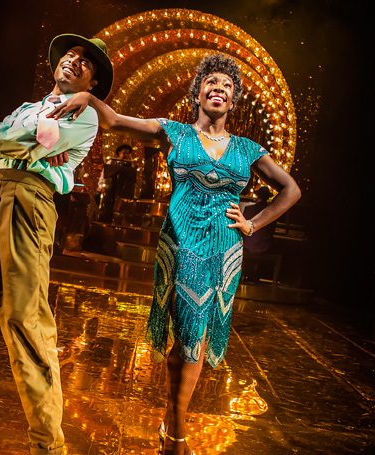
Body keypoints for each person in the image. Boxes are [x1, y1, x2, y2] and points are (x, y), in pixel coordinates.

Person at [49, 53, 301, 455]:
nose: (219, 89)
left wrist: (253, 223)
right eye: (211, 83)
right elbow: (114, 121)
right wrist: (89, 99)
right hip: (182, 243)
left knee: (196, 340)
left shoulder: (248, 149)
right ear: (197, 93)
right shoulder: (173, 132)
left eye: (227, 87)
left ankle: (174, 425)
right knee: (186, 335)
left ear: (232, 101)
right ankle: (177, 425)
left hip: (224, 248)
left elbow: (291, 190)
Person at [0, 34, 113, 455]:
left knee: (24, 317)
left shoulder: (84, 115)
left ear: (92, 81)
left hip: (28, 199)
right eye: (69, 55)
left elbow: (17, 143)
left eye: (84, 62)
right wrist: (5, 138)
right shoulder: (28, 109)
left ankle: (47, 439)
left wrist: (0, 140)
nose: (72, 61)